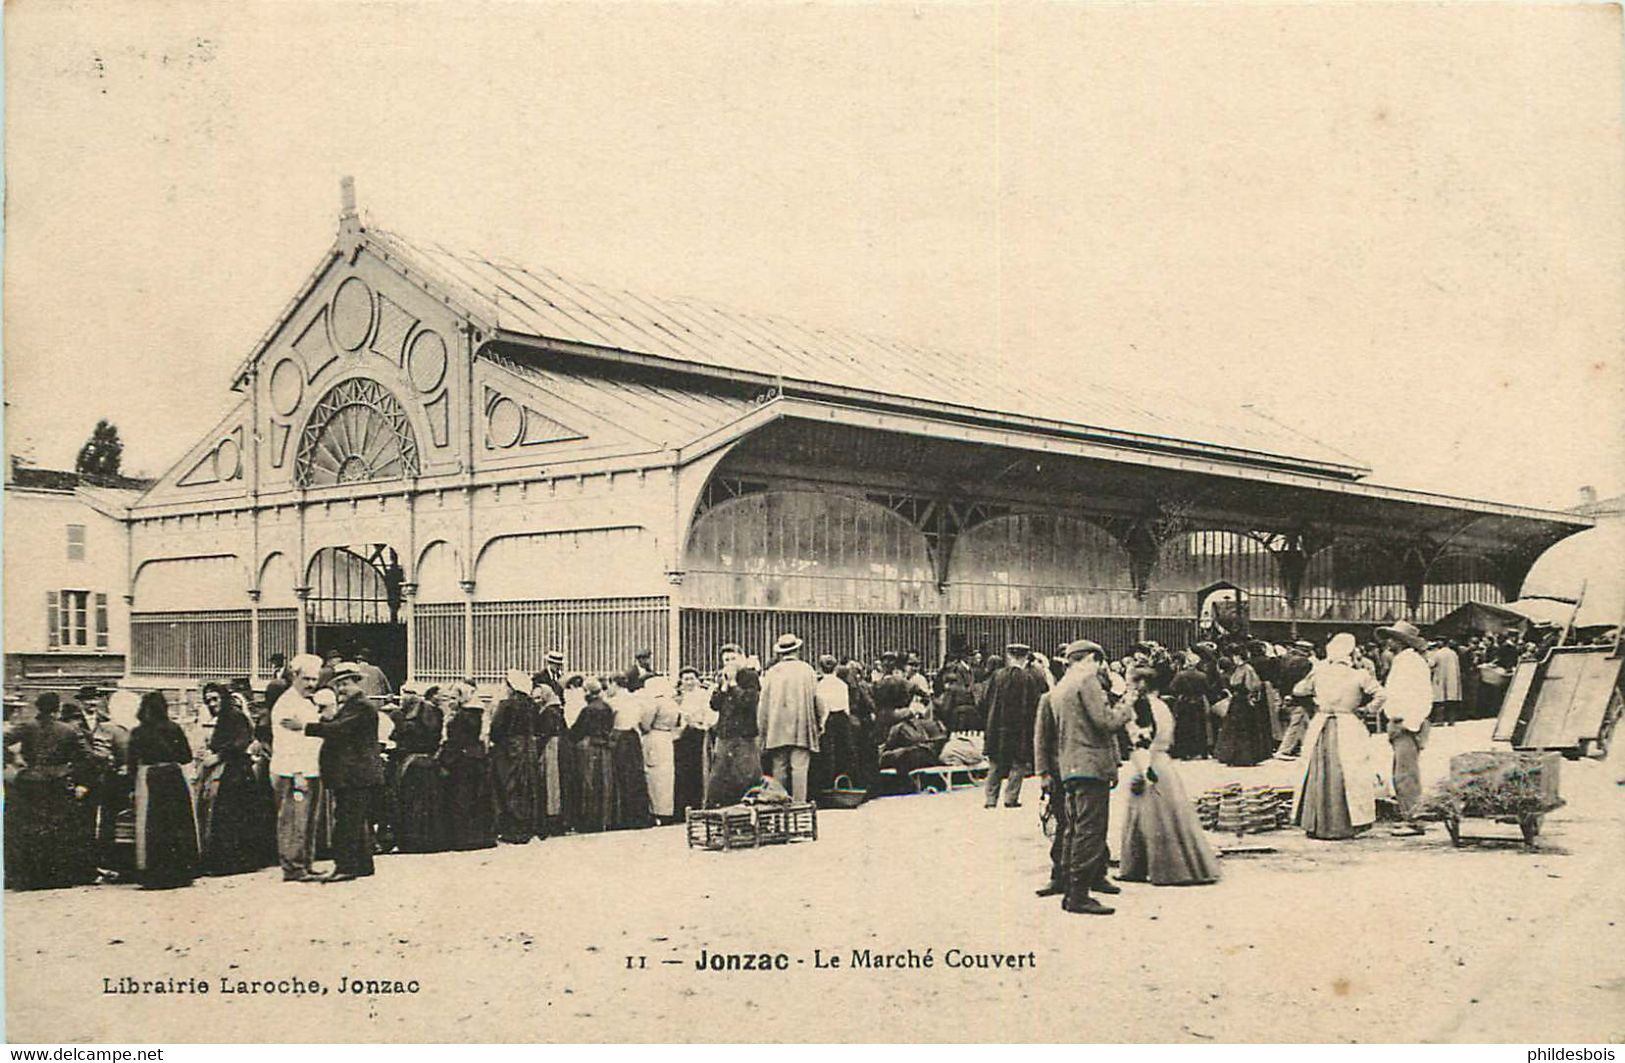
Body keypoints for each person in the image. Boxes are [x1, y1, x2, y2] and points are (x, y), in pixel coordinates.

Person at [1034, 640, 1132, 915]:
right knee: (1089, 830)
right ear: (1090, 658)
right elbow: (1106, 723)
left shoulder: (1061, 687)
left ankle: (1073, 886)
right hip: (1090, 767)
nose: (1100, 668)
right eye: (1098, 661)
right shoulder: (1086, 682)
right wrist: (1128, 705)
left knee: (1076, 829)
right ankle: (1078, 895)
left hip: (1071, 768)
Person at [1117, 666, 1221, 886]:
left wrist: (1143, 771)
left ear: (1141, 684)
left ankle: (1154, 869)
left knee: (1150, 818)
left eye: (1131, 682)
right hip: (1163, 763)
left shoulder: (1141, 706)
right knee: (1166, 817)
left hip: (1148, 764)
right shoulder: (1163, 705)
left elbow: (1142, 740)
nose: (1128, 686)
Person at [1290, 633, 1386, 840]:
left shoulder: (1319, 672)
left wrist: (1316, 700)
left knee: (1318, 771)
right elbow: (1381, 694)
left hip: (1322, 724)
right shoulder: (1359, 675)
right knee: (1350, 771)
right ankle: (1343, 824)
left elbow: (1298, 691)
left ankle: (1317, 823)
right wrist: (1367, 709)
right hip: (1348, 723)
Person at [295, 662, 384, 881]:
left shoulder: (360, 706)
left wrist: (305, 727)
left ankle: (345, 867)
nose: (341, 689)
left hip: (355, 773)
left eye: (345, 684)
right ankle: (363, 864)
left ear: (357, 682)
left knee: (346, 821)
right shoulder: (355, 705)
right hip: (355, 773)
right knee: (355, 819)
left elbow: (340, 730)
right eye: (339, 685)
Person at [3, 692, 95, 889]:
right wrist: (72, 770)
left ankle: (31, 877)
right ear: (57, 708)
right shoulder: (68, 730)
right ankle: (57, 877)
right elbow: (87, 756)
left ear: (38, 707)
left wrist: (12, 760)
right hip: (58, 781)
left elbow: (3, 740)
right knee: (58, 826)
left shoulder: (27, 727)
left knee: (31, 827)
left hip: (31, 780)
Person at [195, 682, 276, 876]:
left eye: (215, 699)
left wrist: (219, 756)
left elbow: (240, 742)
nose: (212, 704)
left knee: (231, 817)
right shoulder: (223, 718)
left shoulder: (234, 716)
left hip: (236, 774)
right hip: (230, 771)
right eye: (208, 701)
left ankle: (232, 862)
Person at [127, 692, 200, 889]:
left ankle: (154, 874)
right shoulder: (173, 728)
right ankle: (180, 872)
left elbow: (132, 762)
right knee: (177, 824)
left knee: (152, 824)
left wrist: (131, 787)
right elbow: (186, 756)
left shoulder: (138, 732)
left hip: (150, 777)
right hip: (173, 777)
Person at [270, 654, 326, 881]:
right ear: (295, 676)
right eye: (307, 679)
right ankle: (293, 866)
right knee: (294, 819)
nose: (311, 684)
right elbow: (287, 743)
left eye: (315, 679)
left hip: (312, 769)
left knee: (309, 820)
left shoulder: (306, 702)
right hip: (293, 772)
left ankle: (306, 862)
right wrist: (297, 774)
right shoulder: (286, 704)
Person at [1378, 620, 1434, 836]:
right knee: (1401, 770)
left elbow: (1416, 695)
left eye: (1392, 638)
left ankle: (1414, 819)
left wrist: (1405, 721)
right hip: (1403, 721)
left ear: (1401, 641)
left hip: (1406, 723)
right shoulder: (1406, 660)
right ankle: (1409, 814)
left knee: (1406, 773)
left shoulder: (1409, 662)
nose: (1388, 642)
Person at [979, 643, 1046, 809]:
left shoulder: (996, 676)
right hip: (1019, 728)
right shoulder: (1028, 678)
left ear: (1009, 657)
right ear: (1025, 657)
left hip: (996, 726)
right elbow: (1034, 705)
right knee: (1018, 763)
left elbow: (983, 701)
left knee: (995, 763)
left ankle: (990, 798)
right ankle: (1011, 797)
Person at [757, 634, 821, 802]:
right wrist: (819, 724)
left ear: (780, 652)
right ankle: (799, 807)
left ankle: (779, 808)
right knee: (800, 769)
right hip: (802, 727)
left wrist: (763, 731)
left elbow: (763, 705)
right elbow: (818, 701)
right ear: (797, 650)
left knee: (779, 768)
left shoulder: (771, 672)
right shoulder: (807, 670)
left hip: (777, 728)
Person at [436, 684, 495, 850]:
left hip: (462, 760)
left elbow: (455, 740)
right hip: (474, 758)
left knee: (462, 798)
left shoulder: (461, 717)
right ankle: (479, 837)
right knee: (476, 798)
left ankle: (464, 838)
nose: (450, 702)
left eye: (454, 698)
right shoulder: (476, 714)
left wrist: (445, 758)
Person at [390, 684, 447, 853]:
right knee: (428, 802)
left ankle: (412, 840)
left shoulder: (401, 716)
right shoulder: (435, 713)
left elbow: (395, 737)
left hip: (412, 763)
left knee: (413, 803)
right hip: (428, 761)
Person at [490, 670, 542, 844]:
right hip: (528, 747)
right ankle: (526, 826)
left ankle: (512, 828)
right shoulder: (531, 704)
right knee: (527, 785)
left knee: (509, 785)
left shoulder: (506, 704)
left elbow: (496, 730)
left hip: (509, 748)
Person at [705, 659, 762, 808]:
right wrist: (723, 687)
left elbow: (749, 701)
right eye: (726, 659)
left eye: (732, 658)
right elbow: (714, 705)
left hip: (745, 734)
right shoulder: (721, 678)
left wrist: (734, 685)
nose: (729, 662)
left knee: (746, 774)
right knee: (720, 774)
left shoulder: (750, 677)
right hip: (725, 733)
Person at [569, 677, 617, 832]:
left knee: (588, 783)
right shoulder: (607, 707)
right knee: (604, 784)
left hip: (589, 748)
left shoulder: (587, 710)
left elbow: (578, 730)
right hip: (604, 748)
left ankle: (588, 820)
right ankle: (603, 819)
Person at [1212, 647, 1273, 767]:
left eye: (1235, 656)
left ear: (1239, 656)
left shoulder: (1248, 669)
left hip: (1243, 701)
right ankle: (1233, 756)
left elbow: (1254, 686)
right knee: (1234, 729)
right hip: (1237, 701)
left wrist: (1250, 697)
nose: (1234, 659)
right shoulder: (1238, 669)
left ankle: (1244, 757)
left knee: (1243, 729)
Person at [638, 676, 684, 824]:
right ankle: (667, 811)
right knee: (666, 777)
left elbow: (646, 724)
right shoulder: (672, 703)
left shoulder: (654, 702)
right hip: (667, 738)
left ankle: (655, 811)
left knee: (653, 776)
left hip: (654, 737)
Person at [811, 654, 857, 792]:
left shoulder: (819, 686)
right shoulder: (842, 684)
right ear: (835, 668)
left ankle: (828, 785)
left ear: (820, 668)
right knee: (845, 750)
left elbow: (821, 707)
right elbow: (846, 706)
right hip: (842, 717)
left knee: (828, 753)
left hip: (828, 718)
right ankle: (847, 782)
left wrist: (822, 724)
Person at [533, 683, 574, 836]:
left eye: (539, 698)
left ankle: (553, 818)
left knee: (552, 784)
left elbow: (546, 732)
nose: (537, 701)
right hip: (558, 747)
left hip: (552, 747)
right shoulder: (556, 709)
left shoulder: (549, 712)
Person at [669, 667, 709, 817]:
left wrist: (697, 724)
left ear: (697, 680)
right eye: (686, 679)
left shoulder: (703, 696)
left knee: (697, 770)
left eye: (692, 678)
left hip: (698, 735)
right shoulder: (677, 698)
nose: (689, 682)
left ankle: (697, 804)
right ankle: (682, 807)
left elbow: (707, 716)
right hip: (682, 737)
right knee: (682, 771)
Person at [1272, 641, 1318, 760]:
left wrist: (1285, 694)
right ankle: (1285, 749)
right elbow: (1301, 680)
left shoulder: (1285, 659)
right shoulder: (1305, 663)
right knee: (1297, 722)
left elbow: (1282, 678)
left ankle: (1306, 746)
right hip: (1300, 695)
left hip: (1286, 693)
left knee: (1302, 722)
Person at [1167, 652, 1212, 760]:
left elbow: (1172, 688)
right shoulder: (1202, 675)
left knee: (1183, 727)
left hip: (1184, 702)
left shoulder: (1180, 675)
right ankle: (1201, 751)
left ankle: (1184, 752)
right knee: (1199, 727)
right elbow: (1207, 689)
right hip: (1198, 702)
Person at [1429, 638, 1463, 728]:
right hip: (1452, 678)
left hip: (1440, 677)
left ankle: (1439, 720)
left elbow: (1431, 664)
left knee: (1439, 699)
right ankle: (1451, 720)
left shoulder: (1437, 653)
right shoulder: (1453, 653)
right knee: (1451, 699)